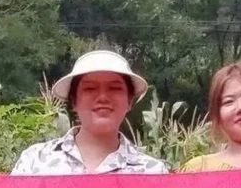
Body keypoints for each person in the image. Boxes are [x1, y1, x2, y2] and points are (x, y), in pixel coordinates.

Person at [11, 50, 168, 175]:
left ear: (130, 101)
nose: (103, 97)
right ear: (73, 100)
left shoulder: (152, 172)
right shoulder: (35, 161)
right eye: (90, 88)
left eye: (114, 88)